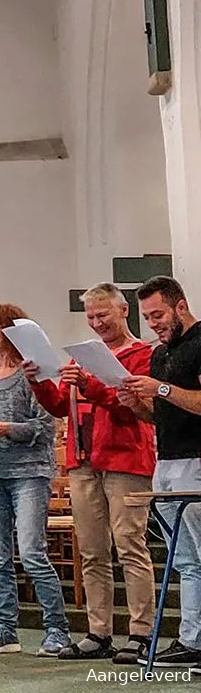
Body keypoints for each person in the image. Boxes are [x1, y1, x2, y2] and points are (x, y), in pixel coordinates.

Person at [23, 283, 156, 664]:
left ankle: (141, 632)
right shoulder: (82, 358)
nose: (97, 323)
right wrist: (38, 380)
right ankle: (99, 631)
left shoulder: (143, 355)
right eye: (92, 317)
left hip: (125, 458)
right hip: (83, 460)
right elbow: (61, 408)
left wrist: (90, 384)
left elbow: (133, 407)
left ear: (123, 311)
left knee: (130, 545)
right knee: (93, 551)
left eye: (103, 315)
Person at [0, 304, 70, 657]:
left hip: (29, 473)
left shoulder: (32, 375)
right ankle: (5, 629)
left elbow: (46, 428)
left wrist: (10, 429)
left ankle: (57, 629)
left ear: (11, 331)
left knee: (32, 552)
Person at [119, 276, 201, 667]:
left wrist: (162, 389)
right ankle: (191, 639)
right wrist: (134, 403)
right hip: (166, 461)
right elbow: (157, 417)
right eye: (148, 318)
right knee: (183, 559)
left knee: (200, 554)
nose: (153, 324)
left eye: (158, 315)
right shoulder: (160, 354)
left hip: (197, 460)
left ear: (180, 306)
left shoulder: (200, 342)